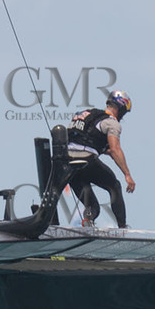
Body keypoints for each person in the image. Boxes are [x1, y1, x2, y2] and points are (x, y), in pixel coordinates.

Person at [52, 91, 135, 228]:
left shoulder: (86, 115)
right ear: (120, 109)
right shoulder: (111, 123)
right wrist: (127, 175)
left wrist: (103, 150)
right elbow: (115, 150)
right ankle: (122, 226)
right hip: (87, 162)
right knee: (114, 186)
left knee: (92, 206)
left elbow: (85, 140)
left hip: (69, 165)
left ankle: (88, 221)